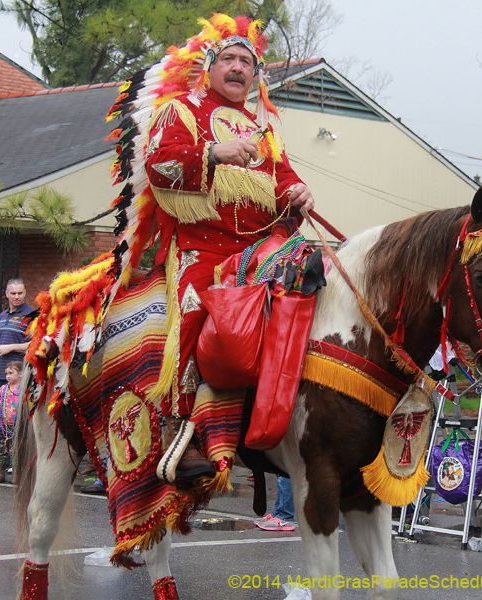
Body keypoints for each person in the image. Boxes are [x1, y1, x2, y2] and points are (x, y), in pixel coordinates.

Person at [139, 15, 315, 484]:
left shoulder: (266, 133)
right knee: (195, 311)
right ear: (210, 67)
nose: (238, 68)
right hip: (203, 249)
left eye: (247, 62)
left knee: (308, 297)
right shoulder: (181, 111)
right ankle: (178, 429)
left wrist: (300, 194)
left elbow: (286, 182)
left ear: (256, 76)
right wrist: (213, 154)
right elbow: (159, 167)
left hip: (262, 249)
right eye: (229, 59)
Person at [0, 278, 33, 473]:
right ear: (7, 294)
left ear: (25, 293)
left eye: (20, 293)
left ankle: (16, 460)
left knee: (18, 420)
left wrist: (12, 347)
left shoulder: (31, 315)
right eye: (13, 293)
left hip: (19, 376)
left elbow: (35, 343)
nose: (17, 296)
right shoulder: (1, 316)